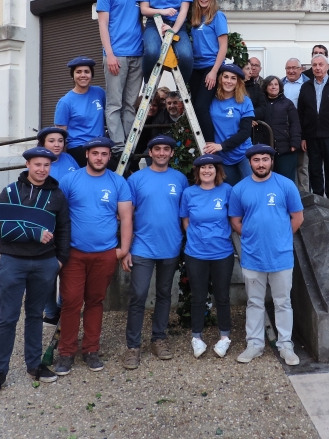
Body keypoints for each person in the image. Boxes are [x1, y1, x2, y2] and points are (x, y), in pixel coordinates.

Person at [0, 146, 71, 397]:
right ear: (28, 165)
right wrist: (33, 232)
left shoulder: (57, 196)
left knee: (35, 315)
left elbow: (64, 229)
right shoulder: (10, 192)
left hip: (45, 263)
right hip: (13, 261)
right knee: (7, 318)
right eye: (37, 164)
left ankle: (34, 365)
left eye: (46, 165)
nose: (42, 169)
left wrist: (60, 259)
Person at [56, 137, 133, 375]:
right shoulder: (70, 180)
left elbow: (127, 217)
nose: (99, 158)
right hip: (75, 253)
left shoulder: (118, 182)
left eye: (104, 154)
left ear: (109, 157)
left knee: (95, 302)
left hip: (105, 254)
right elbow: (59, 216)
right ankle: (66, 352)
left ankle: (91, 349)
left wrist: (124, 250)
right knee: (70, 302)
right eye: (95, 153)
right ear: (87, 155)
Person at [229, 144, 304, 366]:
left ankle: (285, 345)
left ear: (271, 161)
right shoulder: (240, 189)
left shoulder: (286, 185)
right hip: (252, 255)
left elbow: (298, 218)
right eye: (256, 160)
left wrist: (280, 237)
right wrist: (251, 236)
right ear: (250, 163)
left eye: (265, 159)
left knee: (283, 302)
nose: (261, 164)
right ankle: (254, 344)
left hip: (281, 256)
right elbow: (235, 220)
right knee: (254, 302)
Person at [122, 135, 188, 369]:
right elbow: (126, 215)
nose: (161, 153)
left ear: (172, 153)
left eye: (166, 149)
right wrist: (126, 248)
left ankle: (158, 339)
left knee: (164, 294)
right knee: (138, 295)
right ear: (150, 152)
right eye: (157, 149)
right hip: (142, 247)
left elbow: (185, 215)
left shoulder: (180, 179)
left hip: (170, 247)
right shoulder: (136, 179)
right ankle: (133, 346)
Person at [180, 153, 234, 359]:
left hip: (222, 252)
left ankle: (224, 337)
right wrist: (198, 238)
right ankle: (197, 337)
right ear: (197, 171)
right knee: (198, 296)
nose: (207, 170)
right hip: (196, 253)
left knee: (222, 296)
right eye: (203, 168)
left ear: (217, 170)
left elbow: (233, 217)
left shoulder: (227, 191)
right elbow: (186, 221)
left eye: (211, 167)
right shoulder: (189, 193)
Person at [97, 0, 145, 155]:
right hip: (117, 54)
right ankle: (117, 147)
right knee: (114, 103)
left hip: (138, 55)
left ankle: (129, 147)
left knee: (130, 104)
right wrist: (109, 54)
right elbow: (103, 24)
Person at [36, 126, 79, 325]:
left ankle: (63, 306)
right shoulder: (40, 163)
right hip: (47, 221)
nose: (56, 144)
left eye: (60, 141)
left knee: (67, 266)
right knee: (48, 269)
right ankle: (50, 312)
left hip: (67, 221)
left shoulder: (70, 160)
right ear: (43, 143)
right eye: (52, 140)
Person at [297, 54, 329, 204]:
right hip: (312, 136)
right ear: (311, 68)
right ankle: (318, 200)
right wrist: (303, 137)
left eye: (321, 64)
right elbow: (301, 114)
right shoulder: (305, 87)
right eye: (314, 65)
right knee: (314, 171)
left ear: (327, 67)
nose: (318, 68)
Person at [204, 63, 255, 186]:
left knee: (252, 187)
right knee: (232, 191)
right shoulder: (211, 100)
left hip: (243, 153)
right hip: (223, 157)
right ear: (220, 79)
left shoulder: (245, 101)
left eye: (233, 78)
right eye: (226, 77)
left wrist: (221, 146)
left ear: (238, 82)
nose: (229, 81)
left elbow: (245, 132)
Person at [189, 0, 228, 144]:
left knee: (201, 107)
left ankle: (210, 144)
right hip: (196, 68)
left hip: (210, 67)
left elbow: (223, 46)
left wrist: (214, 71)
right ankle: (199, 142)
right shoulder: (195, 18)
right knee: (193, 108)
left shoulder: (217, 16)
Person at [54, 56, 107, 167]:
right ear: (73, 76)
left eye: (86, 72)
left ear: (91, 75)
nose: (83, 75)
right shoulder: (65, 102)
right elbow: (60, 135)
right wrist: (64, 161)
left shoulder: (99, 92)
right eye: (78, 72)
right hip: (79, 148)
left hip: (100, 145)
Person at [255, 76, 302, 181]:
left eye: (276, 84)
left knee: (285, 180)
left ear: (280, 87)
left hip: (285, 150)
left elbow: (295, 123)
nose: (273, 87)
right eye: (270, 85)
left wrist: (294, 143)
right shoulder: (261, 104)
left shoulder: (288, 104)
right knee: (267, 180)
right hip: (265, 149)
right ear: (266, 87)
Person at [282, 59, 310, 191]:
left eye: (294, 68)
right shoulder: (280, 84)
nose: (291, 71)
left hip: (302, 131)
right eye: (288, 68)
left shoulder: (308, 84)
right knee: (287, 166)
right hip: (284, 132)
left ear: (301, 69)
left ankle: (304, 198)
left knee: (302, 166)